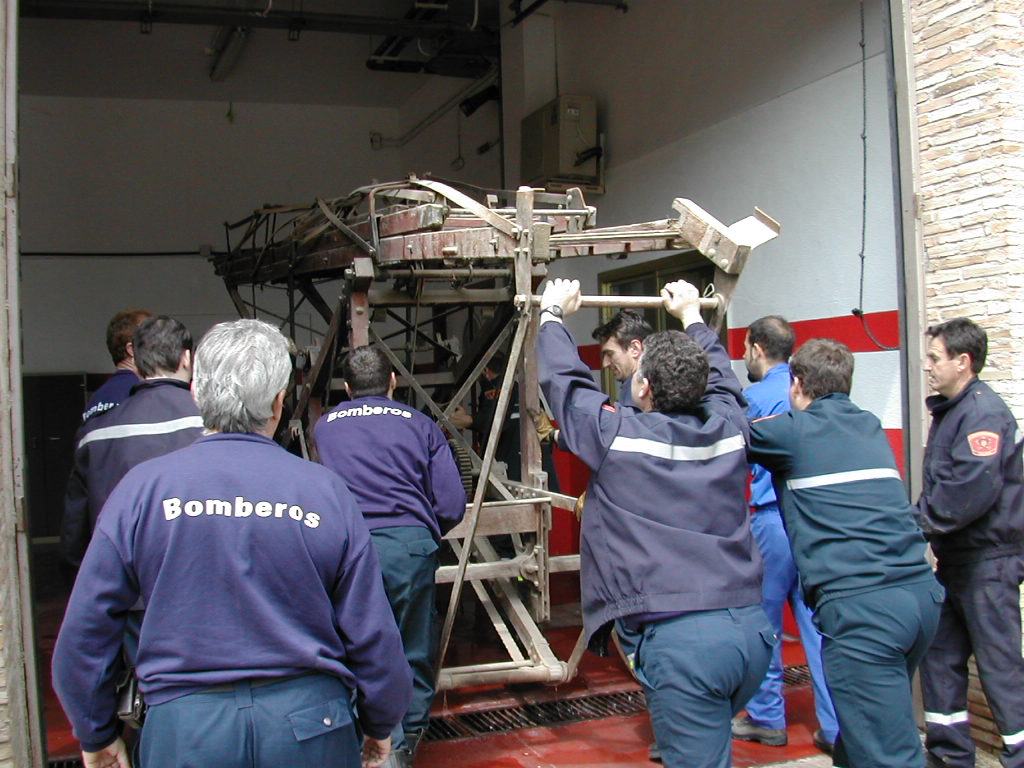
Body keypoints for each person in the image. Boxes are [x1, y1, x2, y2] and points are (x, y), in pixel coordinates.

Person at [52, 319, 411, 768]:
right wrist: (380, 726)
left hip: (186, 732)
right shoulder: (325, 492)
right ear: (280, 403)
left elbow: (85, 634)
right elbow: (374, 632)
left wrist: (97, 734)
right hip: (310, 728)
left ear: (197, 392)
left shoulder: (141, 491)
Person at [538, 278, 772, 768]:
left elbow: (565, 385)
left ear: (641, 386)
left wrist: (551, 315)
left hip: (686, 644)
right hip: (752, 633)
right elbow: (724, 382)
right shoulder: (730, 427)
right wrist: (691, 315)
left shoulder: (617, 436)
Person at [748, 337, 943, 768]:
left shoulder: (792, 431)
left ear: (796, 384)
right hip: (920, 599)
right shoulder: (868, 424)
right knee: (861, 733)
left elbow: (725, 431)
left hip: (865, 611)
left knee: (887, 752)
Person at [314, 345, 466, 768]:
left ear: (347, 388)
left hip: (349, 547)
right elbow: (452, 502)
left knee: (357, 641)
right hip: (409, 547)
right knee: (411, 644)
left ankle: (367, 736)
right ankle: (405, 739)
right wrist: (422, 533)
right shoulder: (422, 425)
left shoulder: (325, 427)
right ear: (393, 382)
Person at [915, 318, 1024, 768]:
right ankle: (949, 754)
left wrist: (911, 526)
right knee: (939, 658)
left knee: (1000, 668)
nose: (927, 366)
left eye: (934, 358)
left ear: (963, 362)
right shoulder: (952, 409)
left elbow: (966, 493)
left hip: (988, 565)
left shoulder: (983, 414)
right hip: (957, 563)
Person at [731, 316, 838, 753]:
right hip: (811, 521)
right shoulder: (811, 394)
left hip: (770, 522)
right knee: (818, 626)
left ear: (756, 348)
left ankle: (766, 716)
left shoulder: (752, 398)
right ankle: (836, 727)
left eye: (744, 349)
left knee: (765, 623)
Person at [61, 316, 204, 574]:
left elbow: (75, 530)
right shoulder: (216, 423)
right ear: (186, 358)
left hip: (125, 590)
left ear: (136, 360)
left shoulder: (96, 432)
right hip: (197, 583)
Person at [82, 309, 154, 422]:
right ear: (132, 350)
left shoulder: (96, 399)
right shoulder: (144, 392)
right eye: (154, 340)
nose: (162, 346)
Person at [591, 308, 652, 408]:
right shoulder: (665, 384)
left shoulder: (635, 390)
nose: (605, 363)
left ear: (634, 348)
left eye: (610, 354)